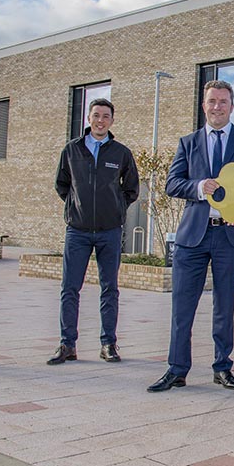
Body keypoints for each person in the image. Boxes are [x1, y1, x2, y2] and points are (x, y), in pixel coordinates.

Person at [148, 80, 234, 392]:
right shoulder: (188, 142)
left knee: (225, 305)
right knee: (182, 305)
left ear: (231, 106)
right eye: (212, 101)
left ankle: (222, 367)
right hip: (193, 237)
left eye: (223, 101)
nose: (217, 107)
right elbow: (172, 183)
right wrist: (199, 188)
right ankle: (177, 369)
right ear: (204, 105)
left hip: (231, 235)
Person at [48, 98, 139, 365]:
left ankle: (108, 343)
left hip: (110, 231)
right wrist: (77, 206)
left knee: (109, 288)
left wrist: (116, 208)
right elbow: (61, 185)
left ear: (112, 120)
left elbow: (131, 188)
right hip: (77, 230)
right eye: (96, 115)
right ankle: (67, 344)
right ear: (88, 118)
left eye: (106, 116)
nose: (100, 120)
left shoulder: (121, 153)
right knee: (69, 288)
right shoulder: (72, 150)